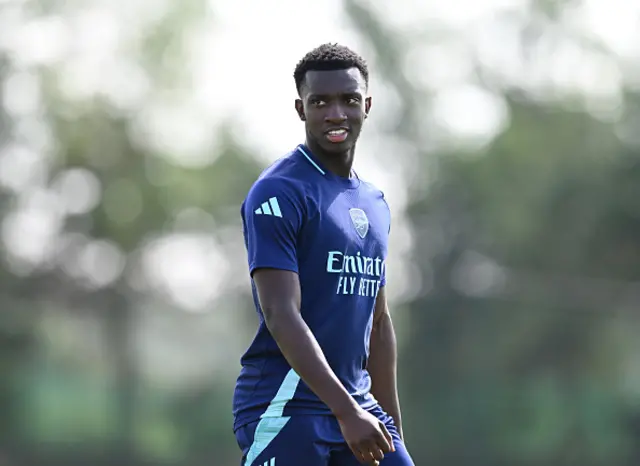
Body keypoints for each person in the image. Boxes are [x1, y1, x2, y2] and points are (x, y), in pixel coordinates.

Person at [233, 43, 414, 466]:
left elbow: (379, 323)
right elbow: (280, 312)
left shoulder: (375, 202)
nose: (336, 114)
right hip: (286, 407)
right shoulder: (279, 191)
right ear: (301, 109)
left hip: (359, 408)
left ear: (367, 105)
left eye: (349, 100)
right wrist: (346, 410)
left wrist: (391, 429)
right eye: (321, 102)